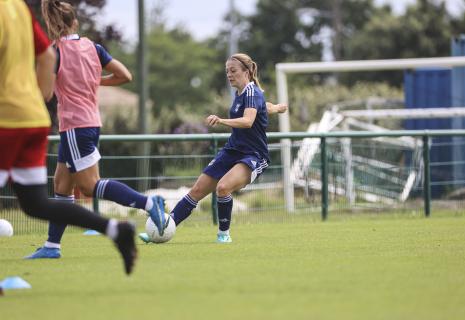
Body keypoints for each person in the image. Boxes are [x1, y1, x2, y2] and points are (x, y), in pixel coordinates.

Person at [0, 0, 136, 274]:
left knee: (87, 185)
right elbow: (47, 59)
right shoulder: (17, 8)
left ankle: (145, 204)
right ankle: (112, 229)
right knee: (41, 200)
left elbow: (51, 62)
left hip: (14, 119)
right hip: (34, 117)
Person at [25, 0, 166, 260]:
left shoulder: (55, 52)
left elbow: (44, 94)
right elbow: (125, 75)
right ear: (74, 22)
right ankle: (52, 246)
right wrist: (95, 80)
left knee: (89, 187)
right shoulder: (93, 47)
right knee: (62, 184)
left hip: (75, 125)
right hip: (89, 122)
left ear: (51, 25)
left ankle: (149, 203)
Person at [139, 53, 288, 243]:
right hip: (232, 150)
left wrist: (221, 120)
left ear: (247, 72)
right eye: (227, 71)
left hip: (253, 154)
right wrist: (276, 107)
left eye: (233, 71)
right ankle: (163, 229)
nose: (229, 74)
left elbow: (249, 121)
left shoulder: (252, 92)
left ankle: (223, 234)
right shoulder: (242, 94)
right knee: (197, 190)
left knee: (223, 188)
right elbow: (263, 106)